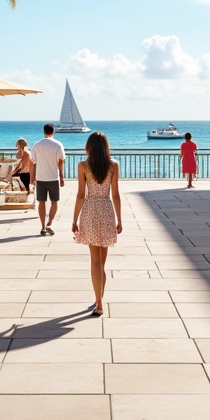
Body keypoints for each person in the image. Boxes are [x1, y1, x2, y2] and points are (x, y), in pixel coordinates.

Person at [72, 131, 123, 317]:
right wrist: (119, 219)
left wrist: (74, 219)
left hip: (91, 209)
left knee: (95, 260)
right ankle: (99, 298)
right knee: (102, 261)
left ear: (89, 147)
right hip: (106, 209)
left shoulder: (83, 166)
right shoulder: (113, 166)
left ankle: (99, 302)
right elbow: (115, 194)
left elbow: (80, 195)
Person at [30, 123, 66, 236]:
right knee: (54, 202)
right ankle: (49, 223)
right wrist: (62, 177)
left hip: (40, 177)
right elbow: (61, 162)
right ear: (53, 131)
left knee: (41, 202)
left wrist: (32, 177)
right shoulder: (58, 145)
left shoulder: (36, 145)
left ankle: (43, 226)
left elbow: (33, 162)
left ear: (44, 131)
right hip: (53, 177)